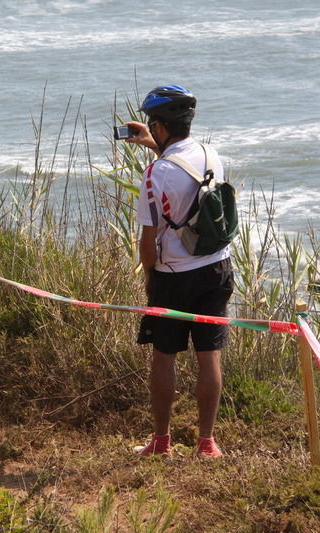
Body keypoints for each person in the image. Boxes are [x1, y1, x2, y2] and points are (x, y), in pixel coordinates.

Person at [123, 85, 234, 458]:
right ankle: (207, 443)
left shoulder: (156, 173)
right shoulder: (210, 154)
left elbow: (148, 238)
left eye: (154, 123)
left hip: (173, 274)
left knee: (164, 356)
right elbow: (186, 174)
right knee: (209, 356)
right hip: (216, 266)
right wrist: (154, 143)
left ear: (162, 125)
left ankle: (161, 442)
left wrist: (149, 276)